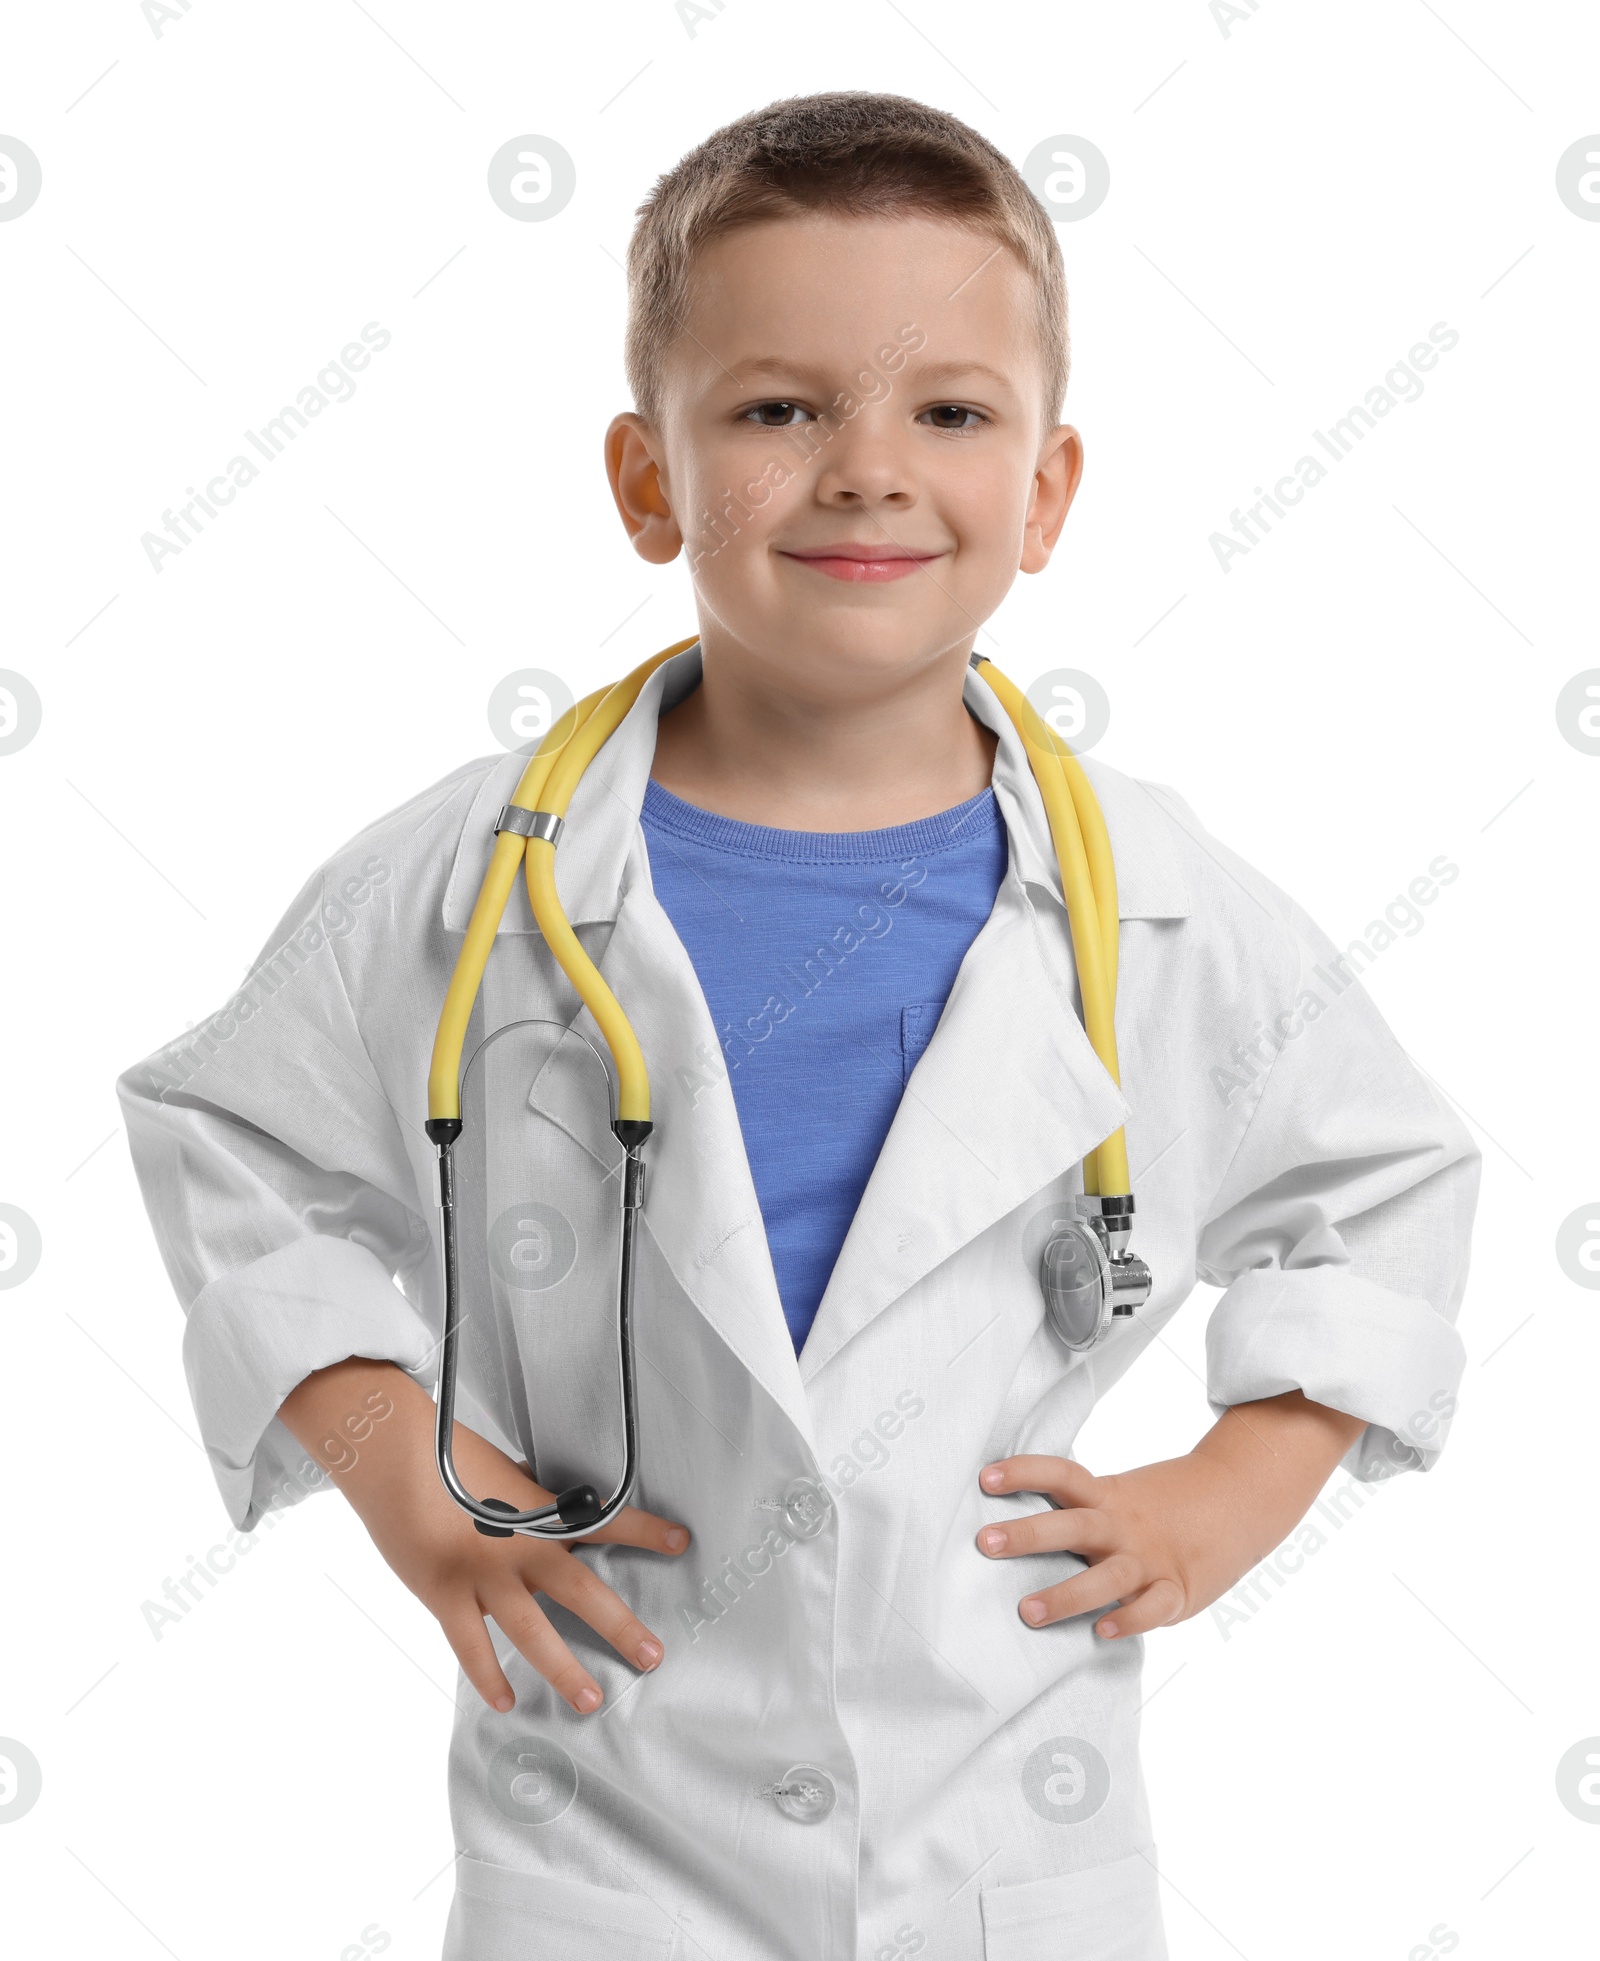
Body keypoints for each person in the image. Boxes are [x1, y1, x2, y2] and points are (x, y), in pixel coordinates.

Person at [117, 91, 1480, 1961]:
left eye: (950, 413)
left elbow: (1386, 1176)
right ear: (647, 478)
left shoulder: (1150, 899)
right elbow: (235, 1141)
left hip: (1001, 1820)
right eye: (778, 409)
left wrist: (1237, 1483)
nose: (866, 470)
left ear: (1051, 487)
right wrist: (398, 1473)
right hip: (606, 1813)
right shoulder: (471, 871)